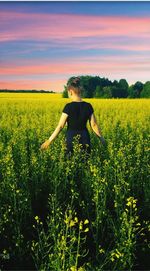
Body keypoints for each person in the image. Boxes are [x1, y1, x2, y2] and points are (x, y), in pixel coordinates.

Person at [40, 76, 106, 154]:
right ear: (81, 91)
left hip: (71, 138)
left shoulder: (68, 107)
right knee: (85, 161)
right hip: (85, 138)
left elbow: (60, 126)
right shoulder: (88, 106)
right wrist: (101, 139)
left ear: (70, 91)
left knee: (70, 161)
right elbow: (94, 125)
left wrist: (49, 141)